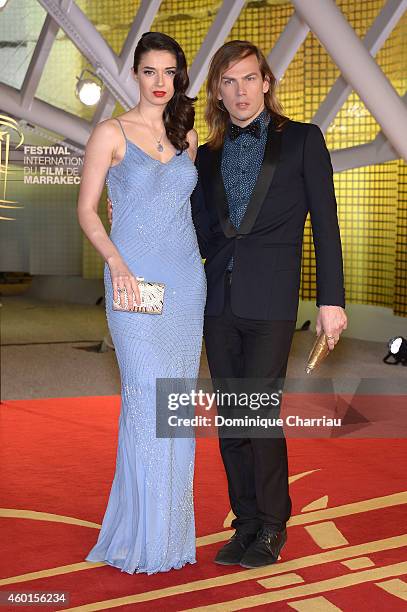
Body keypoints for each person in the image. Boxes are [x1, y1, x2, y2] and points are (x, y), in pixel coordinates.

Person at [191, 40, 347, 569]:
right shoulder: (206, 155)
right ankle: (246, 521)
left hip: (272, 301)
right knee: (231, 421)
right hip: (217, 302)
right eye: (228, 81)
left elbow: (326, 225)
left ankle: (273, 526)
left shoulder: (302, 140)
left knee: (259, 413)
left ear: (266, 82)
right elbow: (201, 231)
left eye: (249, 79)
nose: (240, 91)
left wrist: (331, 301)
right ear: (217, 89)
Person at [77, 32, 206, 575]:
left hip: (183, 286)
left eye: (169, 72)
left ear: (178, 76)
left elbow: (184, 213)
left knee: (174, 408)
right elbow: (87, 212)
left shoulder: (188, 135)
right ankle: (143, 536)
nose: (160, 82)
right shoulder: (110, 132)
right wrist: (118, 264)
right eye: (150, 72)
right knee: (146, 400)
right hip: (133, 285)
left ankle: (171, 537)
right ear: (135, 74)